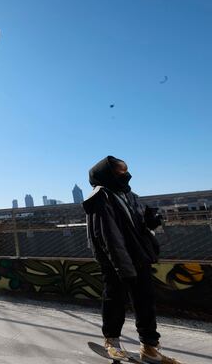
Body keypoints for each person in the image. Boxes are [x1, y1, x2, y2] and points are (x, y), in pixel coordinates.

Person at [82, 156, 181, 364]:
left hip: (138, 256)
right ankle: (112, 342)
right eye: (120, 172)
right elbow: (108, 236)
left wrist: (150, 221)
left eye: (126, 170)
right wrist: (122, 266)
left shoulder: (129, 195)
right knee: (115, 299)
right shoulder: (100, 197)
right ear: (107, 174)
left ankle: (150, 348)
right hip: (115, 260)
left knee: (145, 302)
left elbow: (137, 223)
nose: (126, 175)